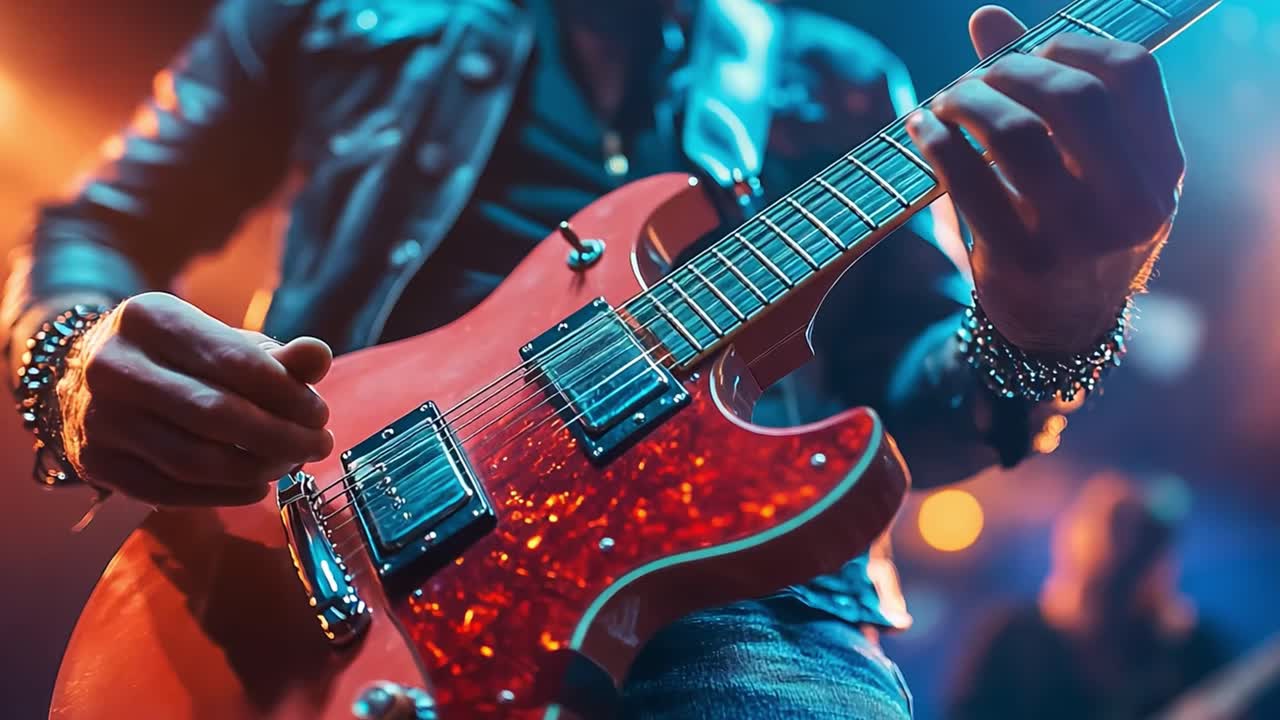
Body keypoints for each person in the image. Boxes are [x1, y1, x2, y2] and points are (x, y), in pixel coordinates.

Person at [3, 0, 1185, 717]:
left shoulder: (838, 79)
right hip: (315, 559)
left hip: (743, 598)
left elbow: (918, 406)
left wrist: (1052, 322)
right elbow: (91, 225)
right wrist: (71, 356)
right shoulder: (334, 12)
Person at [946, 472, 1232, 720]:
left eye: (1139, 550)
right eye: (1115, 545)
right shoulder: (1014, 637)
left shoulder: (1192, 653)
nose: (1122, 566)